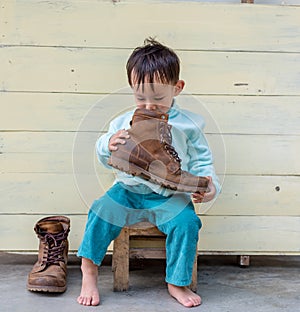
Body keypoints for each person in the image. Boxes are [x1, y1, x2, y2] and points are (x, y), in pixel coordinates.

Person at [77, 38, 221, 308]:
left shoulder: (189, 124)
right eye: (140, 97)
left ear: (177, 88)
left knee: (187, 223)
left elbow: (202, 160)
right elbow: (104, 151)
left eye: (158, 98)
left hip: (168, 194)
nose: (149, 105)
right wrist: (107, 146)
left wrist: (210, 187)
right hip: (128, 191)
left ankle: (177, 282)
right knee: (99, 210)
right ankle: (89, 271)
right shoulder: (124, 120)